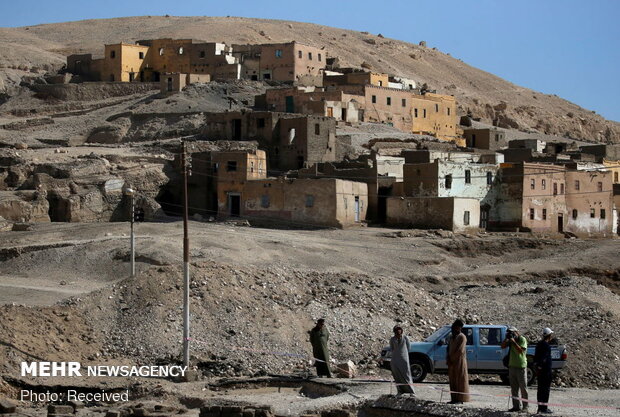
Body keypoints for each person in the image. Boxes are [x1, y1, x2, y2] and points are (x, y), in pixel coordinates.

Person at [502, 326, 529, 412]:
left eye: (512, 333)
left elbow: (521, 351)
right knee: (514, 388)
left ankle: (525, 407)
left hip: (521, 366)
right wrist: (507, 339)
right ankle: (516, 406)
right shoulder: (510, 340)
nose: (511, 334)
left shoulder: (522, 339)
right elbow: (502, 346)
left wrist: (514, 342)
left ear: (516, 332)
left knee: (523, 388)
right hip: (512, 366)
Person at [446, 319, 470, 404]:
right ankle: (454, 398)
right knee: (452, 380)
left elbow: (460, 351)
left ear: (459, 328)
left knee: (460, 380)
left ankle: (460, 399)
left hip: (459, 362)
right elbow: (448, 349)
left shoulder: (462, 337)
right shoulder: (452, 337)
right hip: (451, 362)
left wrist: (453, 359)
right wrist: (448, 358)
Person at [389, 326, 415, 395]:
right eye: (396, 331)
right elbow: (392, 348)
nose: (398, 332)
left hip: (404, 359)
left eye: (399, 331)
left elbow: (409, 348)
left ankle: (411, 391)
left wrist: (403, 354)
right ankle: (400, 391)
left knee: (406, 375)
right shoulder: (392, 339)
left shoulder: (405, 338)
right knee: (397, 377)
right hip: (395, 360)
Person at [534, 328, 554, 414]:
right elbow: (544, 358)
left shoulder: (539, 344)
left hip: (540, 371)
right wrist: (541, 366)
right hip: (545, 371)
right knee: (545, 390)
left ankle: (540, 407)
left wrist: (537, 367)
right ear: (549, 336)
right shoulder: (546, 346)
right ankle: (544, 408)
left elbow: (536, 357)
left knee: (540, 390)